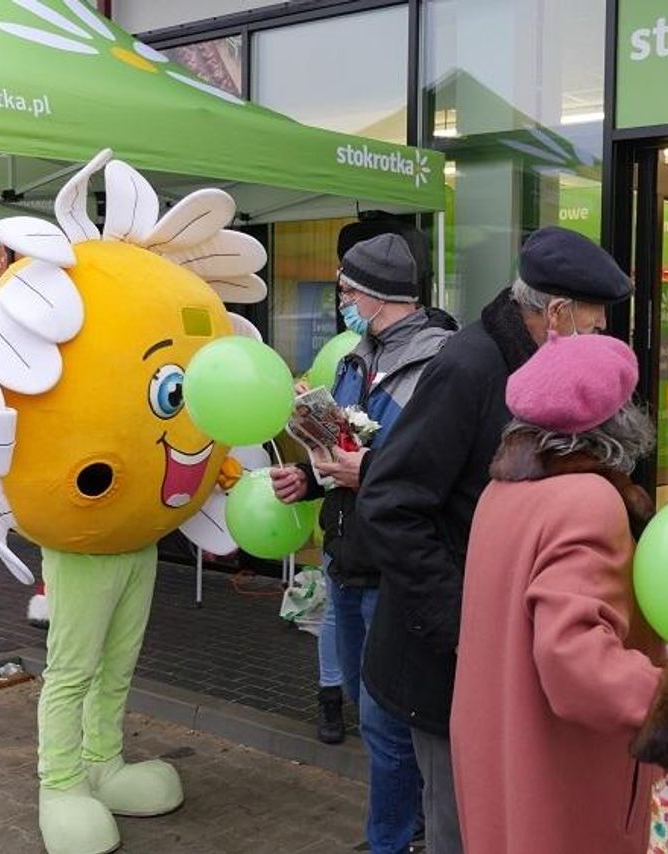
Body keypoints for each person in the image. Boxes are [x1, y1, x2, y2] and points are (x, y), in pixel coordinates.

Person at [356, 226, 634, 854]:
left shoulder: (537, 368)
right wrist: (468, 626)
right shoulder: (471, 366)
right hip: (444, 663)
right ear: (556, 314)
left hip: (497, 663)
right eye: (593, 324)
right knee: (464, 829)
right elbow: (391, 504)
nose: (598, 339)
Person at [451, 333, 668, 854]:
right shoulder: (588, 499)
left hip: (504, 749)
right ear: (618, 421)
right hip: (566, 772)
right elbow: (575, 660)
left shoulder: (504, 490)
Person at [271, 232, 458, 854]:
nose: (341, 300)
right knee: (360, 697)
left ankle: (394, 840)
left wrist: (367, 471)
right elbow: (345, 459)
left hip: (397, 573)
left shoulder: (440, 366)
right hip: (345, 558)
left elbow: (441, 473)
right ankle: (413, 825)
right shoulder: (355, 359)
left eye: (346, 289)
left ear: (376, 294)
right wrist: (308, 479)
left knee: (386, 722)